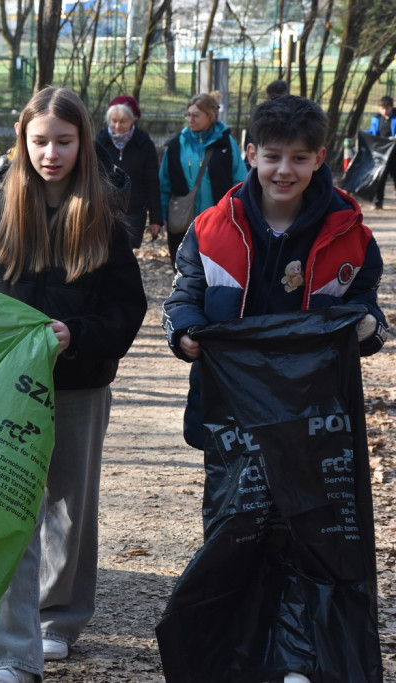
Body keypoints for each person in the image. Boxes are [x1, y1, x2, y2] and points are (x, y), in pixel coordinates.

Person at [161, 94, 388, 682]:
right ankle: (239, 653)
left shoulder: (351, 234)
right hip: (231, 415)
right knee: (237, 529)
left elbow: (366, 304)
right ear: (250, 153)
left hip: (314, 420)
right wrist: (184, 332)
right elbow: (183, 295)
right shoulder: (212, 230)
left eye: (299, 158)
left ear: (321, 160)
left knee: (305, 533)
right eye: (273, 157)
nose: (284, 170)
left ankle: (296, 659)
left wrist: (368, 327)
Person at [0, 86, 146, 683]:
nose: (51, 154)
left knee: (68, 505)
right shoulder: (0, 208)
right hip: (8, 386)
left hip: (79, 384)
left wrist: (77, 335)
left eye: (64, 141)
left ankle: (58, 618)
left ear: (83, 142)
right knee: (11, 507)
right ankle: (11, 652)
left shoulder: (104, 215)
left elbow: (126, 307)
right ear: (22, 140)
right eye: (39, 141)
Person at [159, 92, 247, 265]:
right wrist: (160, 216)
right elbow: (164, 183)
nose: (190, 119)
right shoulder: (176, 144)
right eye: (188, 114)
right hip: (183, 222)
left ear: (210, 116)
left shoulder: (226, 143)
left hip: (219, 221)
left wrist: (237, 212)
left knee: (214, 269)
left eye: (196, 115)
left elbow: (240, 180)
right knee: (183, 269)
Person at [95, 94, 163, 247]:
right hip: (104, 210)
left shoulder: (144, 144)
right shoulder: (100, 142)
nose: (117, 126)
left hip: (134, 211)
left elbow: (152, 182)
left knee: (125, 254)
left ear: (133, 120)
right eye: (114, 121)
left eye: (123, 122)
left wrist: (155, 218)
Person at [365, 95, 396, 210]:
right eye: (382, 108)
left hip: (394, 154)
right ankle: (379, 202)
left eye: (387, 108)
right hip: (382, 155)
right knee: (380, 179)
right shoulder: (377, 119)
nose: (384, 111)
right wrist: (363, 134)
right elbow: (373, 133)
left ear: (391, 108)